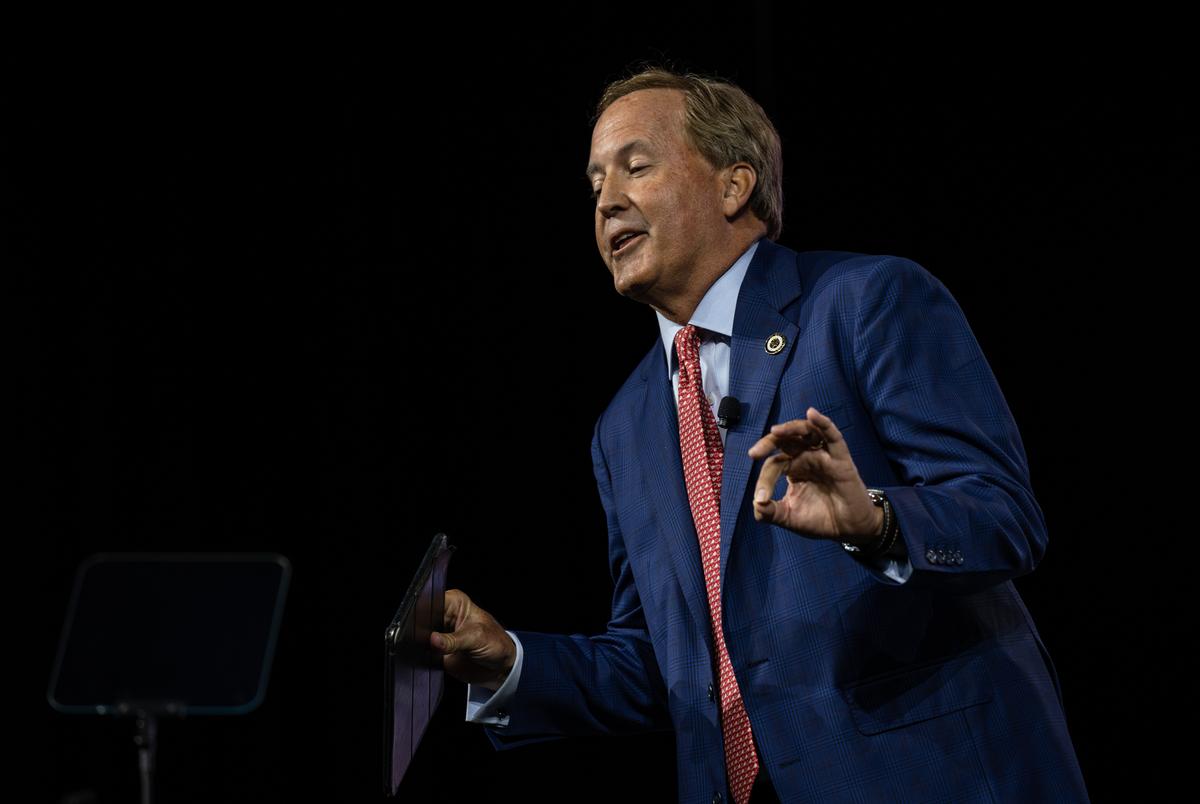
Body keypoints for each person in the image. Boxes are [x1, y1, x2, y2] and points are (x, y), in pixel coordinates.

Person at [428, 67, 1090, 803]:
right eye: (595, 184)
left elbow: (1004, 514)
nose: (607, 200)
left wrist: (876, 522)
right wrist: (510, 663)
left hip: (929, 775)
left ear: (734, 185)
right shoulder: (622, 428)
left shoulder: (866, 302)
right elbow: (668, 664)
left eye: (636, 167)